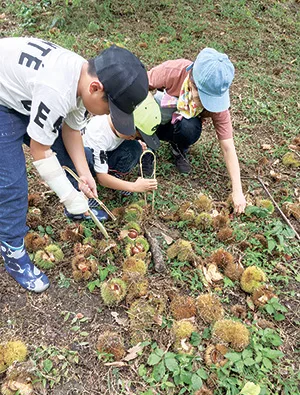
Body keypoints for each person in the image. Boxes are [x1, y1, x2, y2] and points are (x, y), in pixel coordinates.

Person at [0, 37, 148, 293]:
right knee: (13, 185)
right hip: (3, 103)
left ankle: (81, 204)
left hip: (25, 95)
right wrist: (67, 196)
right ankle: (12, 250)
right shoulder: (58, 90)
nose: (106, 115)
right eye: (109, 108)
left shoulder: (81, 79)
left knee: (68, 156)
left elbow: (71, 131)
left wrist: (83, 175)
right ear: (95, 87)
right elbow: (39, 151)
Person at [148, 48, 246, 214]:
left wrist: (238, 190)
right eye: (201, 98)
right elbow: (137, 87)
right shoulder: (172, 71)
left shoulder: (218, 106)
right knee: (154, 103)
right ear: (192, 82)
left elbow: (228, 146)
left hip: (179, 123)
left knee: (189, 128)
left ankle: (178, 147)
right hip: (155, 114)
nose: (204, 103)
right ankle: (146, 142)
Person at [55, 93, 160, 206]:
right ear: (125, 122)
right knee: (88, 155)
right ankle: (81, 192)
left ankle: (115, 178)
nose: (133, 138)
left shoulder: (119, 127)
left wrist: (136, 141)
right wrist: (134, 187)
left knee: (135, 147)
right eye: (133, 135)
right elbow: (102, 178)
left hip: (102, 154)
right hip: (82, 162)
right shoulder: (98, 135)